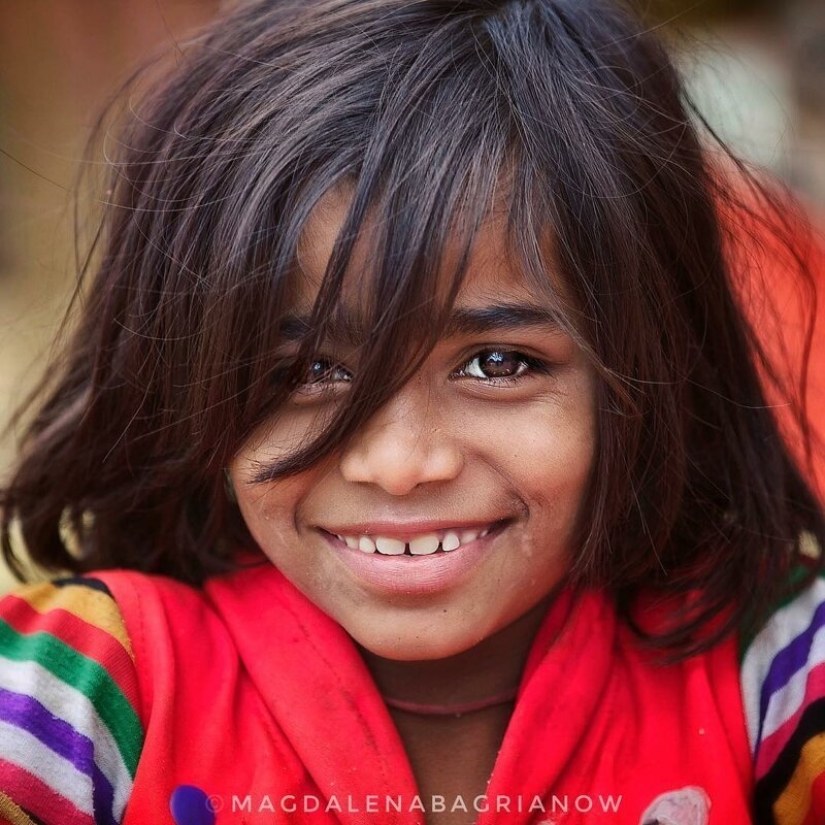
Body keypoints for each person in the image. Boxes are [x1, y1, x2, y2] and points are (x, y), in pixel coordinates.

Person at [1, 0, 824, 823]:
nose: (399, 464)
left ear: (647, 371)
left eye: (497, 364)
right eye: (308, 369)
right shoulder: (78, 699)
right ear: (183, 374)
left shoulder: (771, 666)